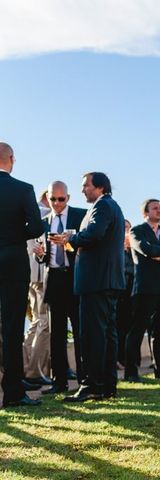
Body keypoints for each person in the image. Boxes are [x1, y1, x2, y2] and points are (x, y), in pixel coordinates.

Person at [51, 172, 125, 402]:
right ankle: (106, 386)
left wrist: (69, 240)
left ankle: (91, 385)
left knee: (93, 335)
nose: (83, 190)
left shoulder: (102, 207)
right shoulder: (112, 206)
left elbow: (94, 233)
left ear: (100, 187)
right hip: (108, 281)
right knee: (107, 335)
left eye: (86, 186)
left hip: (96, 281)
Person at [0, 142, 45, 407]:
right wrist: (15, 232)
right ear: (12, 160)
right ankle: (14, 393)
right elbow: (36, 226)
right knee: (14, 326)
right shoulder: (23, 189)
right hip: (14, 262)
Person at [34, 181, 87, 394]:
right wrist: (41, 254)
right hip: (54, 279)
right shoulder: (45, 222)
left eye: (61, 199)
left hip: (75, 278)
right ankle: (59, 382)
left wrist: (66, 243)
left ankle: (85, 379)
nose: (56, 203)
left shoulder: (80, 215)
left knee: (80, 330)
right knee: (56, 333)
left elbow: (86, 246)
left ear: (68, 198)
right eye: (52, 199)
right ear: (47, 197)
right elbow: (46, 257)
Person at [125, 200, 160, 381]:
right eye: (155, 208)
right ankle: (131, 372)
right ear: (145, 212)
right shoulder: (136, 231)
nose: (159, 211)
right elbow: (145, 249)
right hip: (145, 288)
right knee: (138, 330)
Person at [23, 191, 52, 386]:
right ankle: (33, 370)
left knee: (36, 321)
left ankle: (25, 366)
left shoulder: (30, 213)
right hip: (40, 275)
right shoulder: (43, 215)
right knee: (43, 322)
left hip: (29, 275)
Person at [116, 220, 135, 368]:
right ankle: (118, 359)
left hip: (132, 291)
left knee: (130, 326)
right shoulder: (115, 248)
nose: (126, 231)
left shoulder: (133, 249)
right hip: (119, 290)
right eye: (124, 228)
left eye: (128, 228)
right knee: (119, 326)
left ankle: (130, 359)